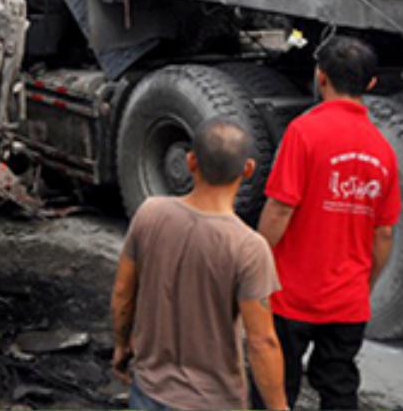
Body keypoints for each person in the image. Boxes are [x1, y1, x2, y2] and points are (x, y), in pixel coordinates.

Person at [256, 36, 399, 410]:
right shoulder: (382, 149)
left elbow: (280, 210)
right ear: (369, 85)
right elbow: (384, 233)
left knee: (275, 385)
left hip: (291, 296)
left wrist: (254, 261)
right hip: (347, 301)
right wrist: (362, 285)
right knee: (339, 387)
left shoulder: (304, 133)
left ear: (320, 77)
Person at [110, 119, 287, 411]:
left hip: (149, 391)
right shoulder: (248, 247)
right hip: (213, 401)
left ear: (191, 161)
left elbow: (122, 294)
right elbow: (261, 342)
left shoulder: (150, 214)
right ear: (248, 170)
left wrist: (121, 345)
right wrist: (279, 407)